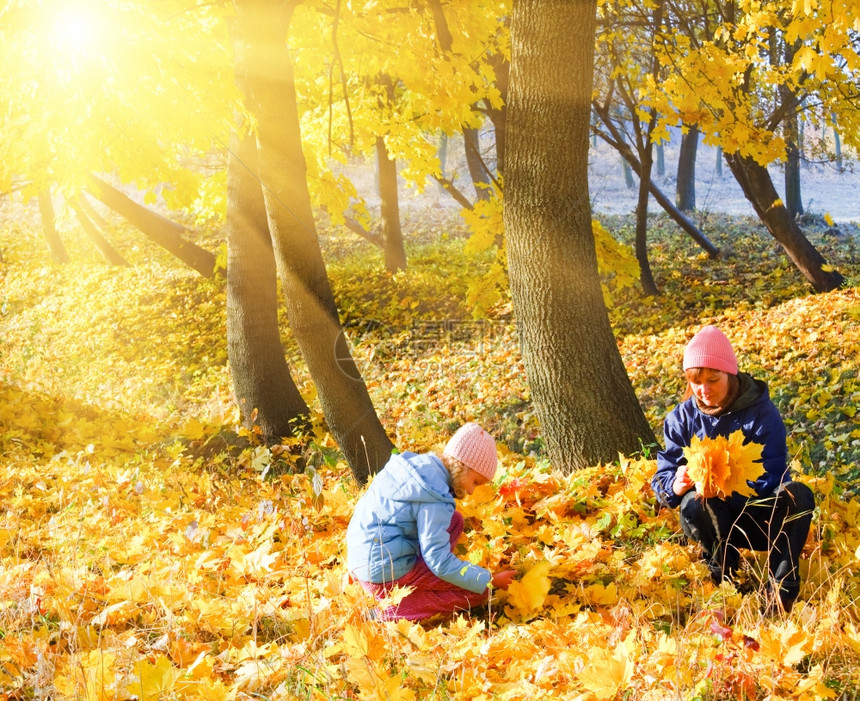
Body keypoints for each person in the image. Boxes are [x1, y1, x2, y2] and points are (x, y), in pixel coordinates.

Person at [651, 325, 814, 614]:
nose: (705, 390)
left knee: (798, 494)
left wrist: (729, 480)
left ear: (730, 374)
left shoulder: (762, 413)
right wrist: (675, 486)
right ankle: (725, 577)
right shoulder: (681, 419)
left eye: (713, 379)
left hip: (759, 517)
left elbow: (775, 473)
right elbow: (664, 476)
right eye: (696, 381)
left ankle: (781, 591)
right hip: (711, 519)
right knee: (694, 501)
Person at [347, 422, 517, 621]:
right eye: (475, 482)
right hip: (383, 574)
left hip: (362, 560)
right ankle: (388, 611)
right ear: (462, 465)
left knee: (454, 521)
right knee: (478, 593)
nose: (471, 491)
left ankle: (405, 584)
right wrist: (489, 580)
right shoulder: (434, 496)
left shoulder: (415, 468)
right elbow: (439, 562)